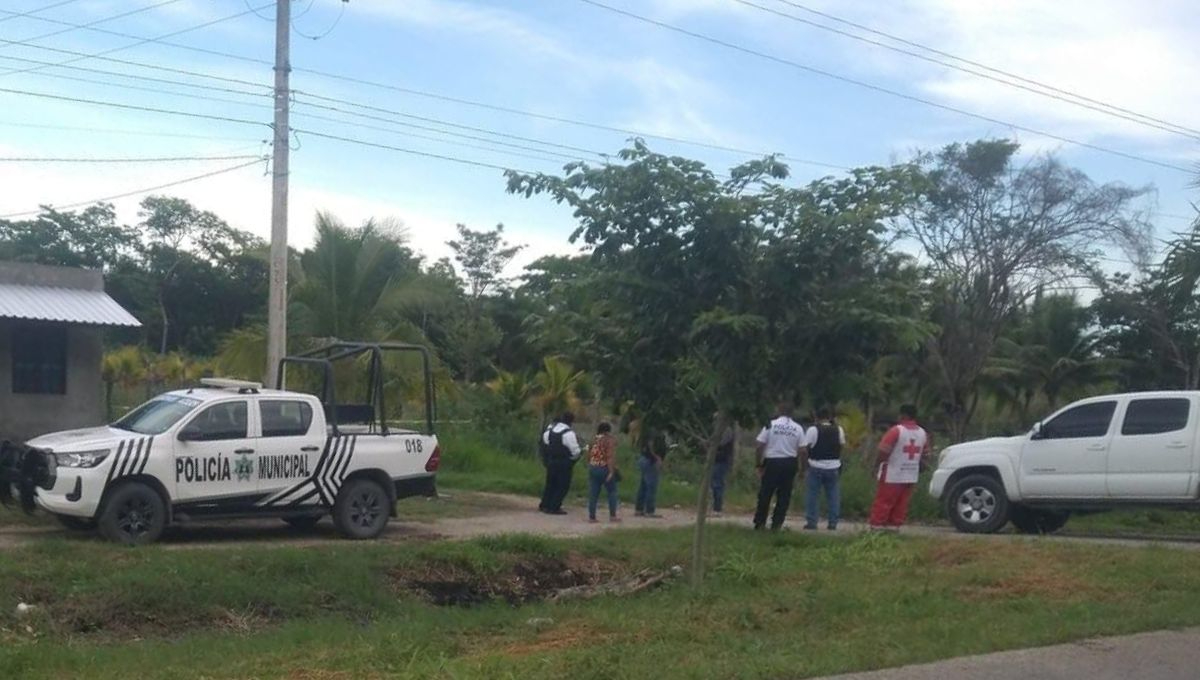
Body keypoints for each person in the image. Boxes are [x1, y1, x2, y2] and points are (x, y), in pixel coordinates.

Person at [869, 404, 931, 530]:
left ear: (904, 415)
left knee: (883, 503)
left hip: (892, 474)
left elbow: (883, 451)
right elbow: (926, 455)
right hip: (910, 475)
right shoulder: (922, 433)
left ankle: (876, 530)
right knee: (901, 505)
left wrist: (876, 466)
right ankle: (894, 530)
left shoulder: (896, 431)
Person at [753, 402, 808, 531]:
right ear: (792, 413)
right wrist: (802, 469)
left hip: (772, 462)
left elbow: (759, 445)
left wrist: (758, 464)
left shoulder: (770, 425)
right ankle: (777, 524)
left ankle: (760, 523)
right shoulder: (798, 428)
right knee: (784, 495)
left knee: (765, 493)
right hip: (789, 463)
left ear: (779, 410)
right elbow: (803, 451)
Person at [803, 407, 845, 531]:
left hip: (815, 466)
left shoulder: (813, 430)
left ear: (816, 417)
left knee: (813, 495)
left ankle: (812, 522)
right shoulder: (839, 429)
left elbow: (806, 448)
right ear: (830, 417)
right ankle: (833, 523)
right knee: (833, 496)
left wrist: (804, 466)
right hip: (833, 466)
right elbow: (841, 445)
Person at [538, 411, 581, 515]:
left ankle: (545, 504)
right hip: (564, 462)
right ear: (571, 421)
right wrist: (573, 459)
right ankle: (554, 506)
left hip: (551, 460)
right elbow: (576, 451)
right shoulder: (569, 433)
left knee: (550, 484)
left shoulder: (550, 430)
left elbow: (545, 442)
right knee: (562, 485)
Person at [586, 422, 621, 523]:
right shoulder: (609, 441)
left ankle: (592, 517)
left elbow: (588, 454)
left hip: (593, 466)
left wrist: (590, 464)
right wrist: (611, 471)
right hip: (604, 467)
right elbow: (610, 456)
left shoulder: (593, 439)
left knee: (593, 493)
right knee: (612, 491)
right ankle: (613, 515)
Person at [635, 427, 667, 518]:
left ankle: (639, 509)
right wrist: (657, 458)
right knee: (651, 487)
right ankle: (649, 511)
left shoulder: (647, 431)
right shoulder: (657, 435)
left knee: (643, 485)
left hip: (643, 458)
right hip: (650, 461)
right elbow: (651, 444)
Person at [710, 424, 735, 517]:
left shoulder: (726, 430)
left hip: (722, 460)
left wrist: (711, 443)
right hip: (716, 460)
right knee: (714, 484)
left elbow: (720, 444)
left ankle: (717, 508)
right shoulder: (718, 429)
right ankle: (715, 506)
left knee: (718, 484)